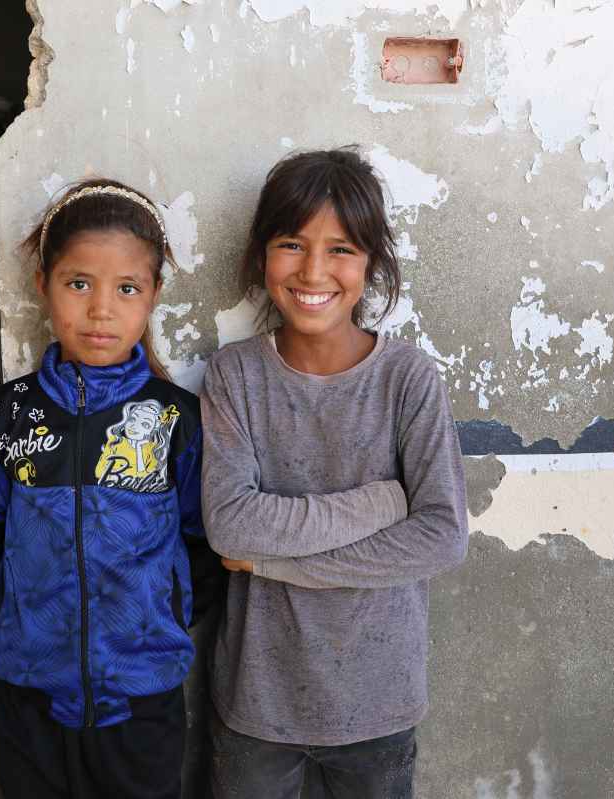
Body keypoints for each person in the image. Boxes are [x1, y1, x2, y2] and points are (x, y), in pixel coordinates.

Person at [201, 148, 469, 799]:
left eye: (341, 248)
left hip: (377, 702)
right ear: (261, 255)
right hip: (256, 701)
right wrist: (380, 503)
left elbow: (440, 535)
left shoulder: (407, 378)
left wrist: (272, 562)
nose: (313, 270)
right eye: (291, 244)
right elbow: (231, 526)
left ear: (371, 261)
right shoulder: (234, 375)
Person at [0, 178, 214, 799]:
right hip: (29, 688)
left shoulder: (176, 417)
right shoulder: (3, 417)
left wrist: (161, 617)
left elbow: (201, 539)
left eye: (127, 288)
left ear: (152, 295)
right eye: (79, 284)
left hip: (140, 691)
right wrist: (29, 608)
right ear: (44, 283)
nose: (102, 309)